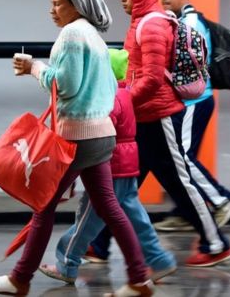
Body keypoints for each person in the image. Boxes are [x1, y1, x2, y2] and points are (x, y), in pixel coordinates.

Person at [0, 0, 154, 297]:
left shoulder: (73, 34)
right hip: (101, 134)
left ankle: (20, 279)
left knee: (43, 206)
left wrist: (34, 67)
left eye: (58, 4)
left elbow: (66, 85)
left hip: (78, 137)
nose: (52, 10)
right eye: (51, 4)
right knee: (110, 207)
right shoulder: (94, 37)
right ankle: (139, 279)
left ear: (77, 5)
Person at [109, 0, 230, 268]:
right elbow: (134, 71)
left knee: (179, 184)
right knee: (119, 186)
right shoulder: (139, 22)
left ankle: (216, 244)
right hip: (142, 118)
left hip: (159, 118)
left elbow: (151, 80)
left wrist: (122, 102)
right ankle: (95, 246)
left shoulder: (151, 26)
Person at [38, 49, 177, 285]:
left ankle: (67, 263)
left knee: (86, 220)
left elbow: (97, 131)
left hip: (109, 166)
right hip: (128, 165)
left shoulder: (107, 98)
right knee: (136, 217)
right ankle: (159, 260)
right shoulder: (125, 93)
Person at [154, 0, 230, 232]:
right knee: (181, 157)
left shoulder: (189, 23)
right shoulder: (183, 20)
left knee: (182, 157)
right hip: (195, 100)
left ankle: (222, 198)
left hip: (194, 100)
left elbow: (189, 66)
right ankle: (185, 211)